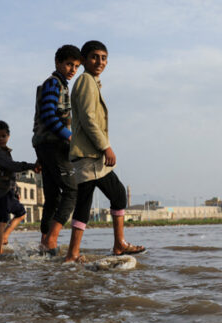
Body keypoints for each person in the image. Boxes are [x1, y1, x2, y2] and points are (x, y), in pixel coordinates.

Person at [64, 40, 145, 263]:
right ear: (84, 59)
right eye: (95, 57)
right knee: (117, 194)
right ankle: (116, 245)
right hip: (90, 155)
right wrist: (105, 147)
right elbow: (90, 119)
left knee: (87, 202)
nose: (100, 62)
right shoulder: (86, 81)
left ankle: (74, 254)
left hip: (88, 155)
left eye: (104, 58)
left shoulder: (90, 82)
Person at [32, 44, 82, 256]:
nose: (72, 69)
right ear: (58, 63)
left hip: (43, 144)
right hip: (54, 145)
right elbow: (49, 116)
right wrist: (69, 136)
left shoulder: (57, 84)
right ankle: (52, 239)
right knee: (71, 191)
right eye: (69, 64)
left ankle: (44, 242)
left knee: (52, 196)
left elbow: (41, 120)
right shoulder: (54, 84)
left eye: (76, 66)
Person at [0, 120, 39, 254]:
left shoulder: (5, 151)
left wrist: (16, 191)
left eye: (3, 136)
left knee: (21, 213)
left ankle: (5, 236)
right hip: (0, 193)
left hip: (8, 192)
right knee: (1, 222)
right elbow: (12, 166)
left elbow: (11, 174)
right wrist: (31, 166)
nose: (1, 139)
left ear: (8, 136)